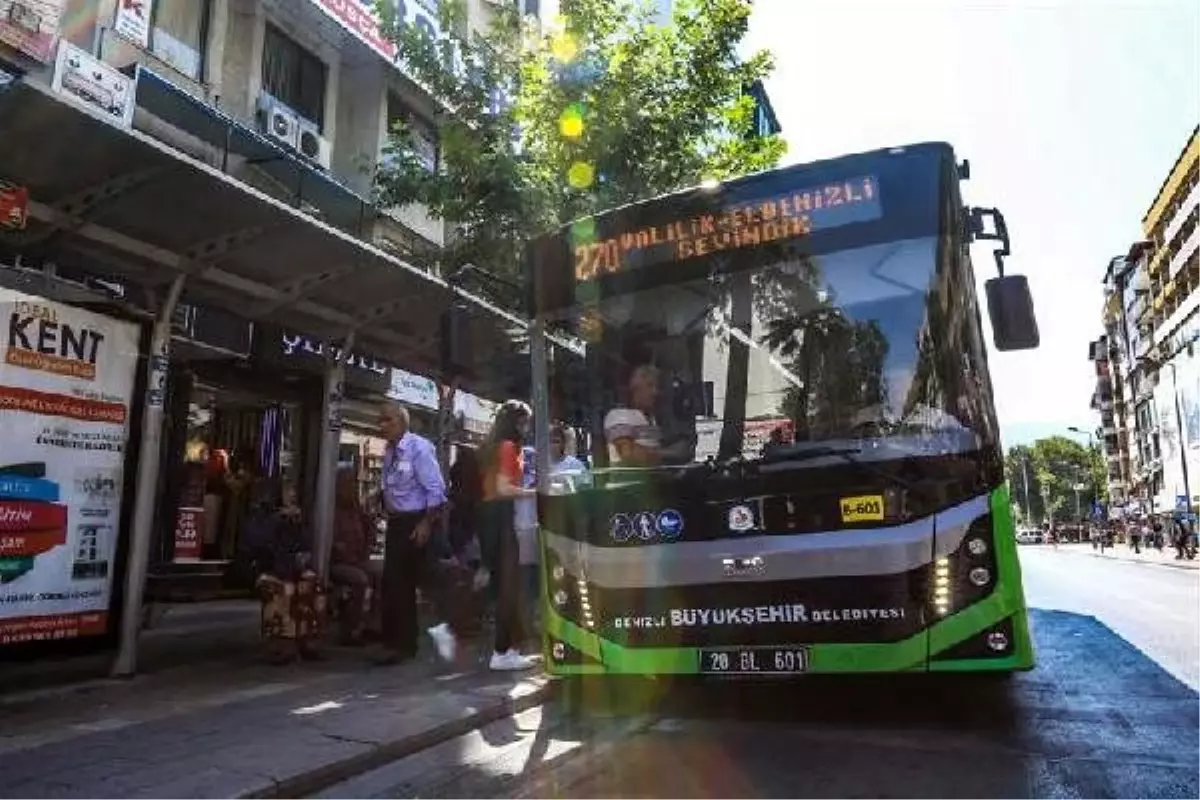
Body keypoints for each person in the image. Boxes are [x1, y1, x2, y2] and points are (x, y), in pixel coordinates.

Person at [377, 402, 454, 665]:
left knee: (411, 583)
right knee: (394, 584)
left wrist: (425, 524)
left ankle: (410, 643)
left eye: (387, 420)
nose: (382, 425)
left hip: (417, 523)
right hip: (397, 524)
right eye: (381, 420)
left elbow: (437, 492)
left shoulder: (418, 449)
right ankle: (398, 643)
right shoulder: (389, 452)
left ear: (401, 422)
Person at [479, 400, 538, 671]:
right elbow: (504, 489)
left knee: (504, 584)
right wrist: (536, 492)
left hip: (491, 516)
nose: (527, 427)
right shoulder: (508, 447)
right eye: (525, 421)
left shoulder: (493, 446)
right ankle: (502, 652)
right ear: (517, 422)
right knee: (508, 587)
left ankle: (509, 648)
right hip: (501, 515)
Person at [244, 481, 324, 664]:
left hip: (291, 567)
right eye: (288, 492)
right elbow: (260, 543)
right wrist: (278, 519)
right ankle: (282, 644)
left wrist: (298, 524)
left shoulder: (296, 517)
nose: (292, 496)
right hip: (268, 566)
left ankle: (307, 639)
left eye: (294, 491)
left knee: (313, 586)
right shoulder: (264, 516)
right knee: (285, 589)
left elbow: (305, 544)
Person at [330, 468, 378, 645]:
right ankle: (349, 630)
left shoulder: (356, 509)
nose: (351, 488)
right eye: (348, 484)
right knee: (360, 580)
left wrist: (370, 529)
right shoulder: (331, 509)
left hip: (357, 559)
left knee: (383, 573)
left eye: (353, 484)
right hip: (338, 562)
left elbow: (369, 530)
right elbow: (332, 543)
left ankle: (374, 625)